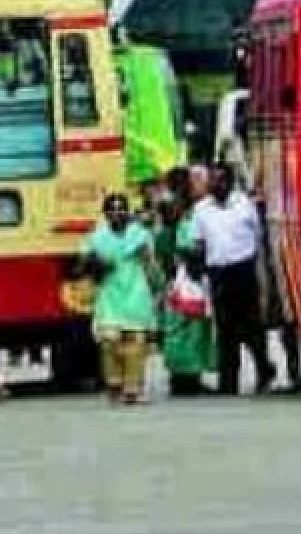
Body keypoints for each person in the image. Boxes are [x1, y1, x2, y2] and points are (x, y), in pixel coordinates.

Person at [192, 164, 275, 396]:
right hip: (218, 273)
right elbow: (199, 242)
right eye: (212, 180)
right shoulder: (201, 210)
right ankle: (228, 383)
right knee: (226, 331)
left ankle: (264, 369)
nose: (216, 185)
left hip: (244, 271)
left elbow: (258, 235)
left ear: (230, 182)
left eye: (220, 180)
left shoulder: (244, 205)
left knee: (252, 328)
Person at [78, 194, 159, 405]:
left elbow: (149, 265)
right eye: (112, 209)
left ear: (128, 212)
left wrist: (157, 289)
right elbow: (81, 265)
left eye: (121, 208)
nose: (117, 213)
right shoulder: (96, 237)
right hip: (109, 293)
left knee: (134, 341)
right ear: (105, 214)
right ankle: (114, 384)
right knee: (109, 341)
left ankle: (132, 389)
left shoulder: (139, 235)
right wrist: (94, 264)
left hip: (135, 291)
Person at [161, 169, 216, 396]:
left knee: (185, 328)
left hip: (181, 276)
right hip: (188, 276)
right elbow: (186, 246)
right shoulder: (186, 213)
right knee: (190, 327)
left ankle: (185, 376)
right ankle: (186, 378)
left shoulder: (179, 210)